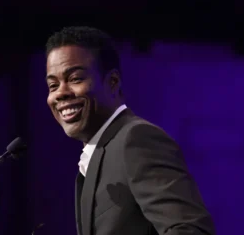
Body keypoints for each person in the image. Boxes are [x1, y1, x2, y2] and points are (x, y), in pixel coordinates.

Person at [45, 26, 215, 235]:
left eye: (75, 78)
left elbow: (191, 230)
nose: (60, 93)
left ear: (113, 82)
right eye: (53, 85)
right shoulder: (101, 150)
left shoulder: (136, 139)